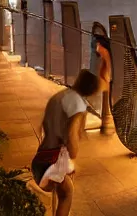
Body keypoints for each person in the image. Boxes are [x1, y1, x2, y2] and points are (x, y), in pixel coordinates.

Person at [31, 70, 100, 216]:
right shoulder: (78, 104)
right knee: (66, 193)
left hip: (43, 154)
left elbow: (43, 126)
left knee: (62, 188)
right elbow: (72, 135)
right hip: (53, 161)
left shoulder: (60, 96)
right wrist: (73, 156)